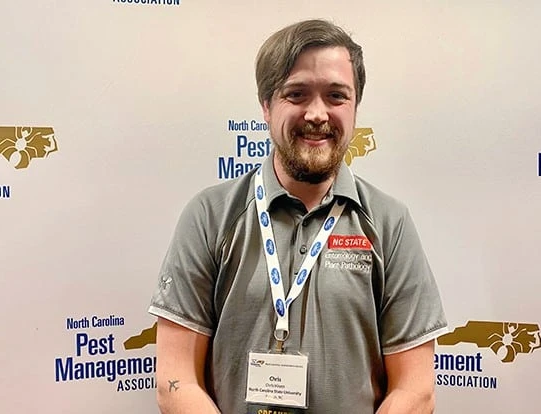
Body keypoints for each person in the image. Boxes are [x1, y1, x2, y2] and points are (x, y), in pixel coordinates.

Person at [148, 18, 448, 414]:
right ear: (266, 106)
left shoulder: (389, 224)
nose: (317, 114)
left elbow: (416, 389)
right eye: (297, 94)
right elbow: (175, 381)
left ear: (355, 107)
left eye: (336, 96)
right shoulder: (209, 216)